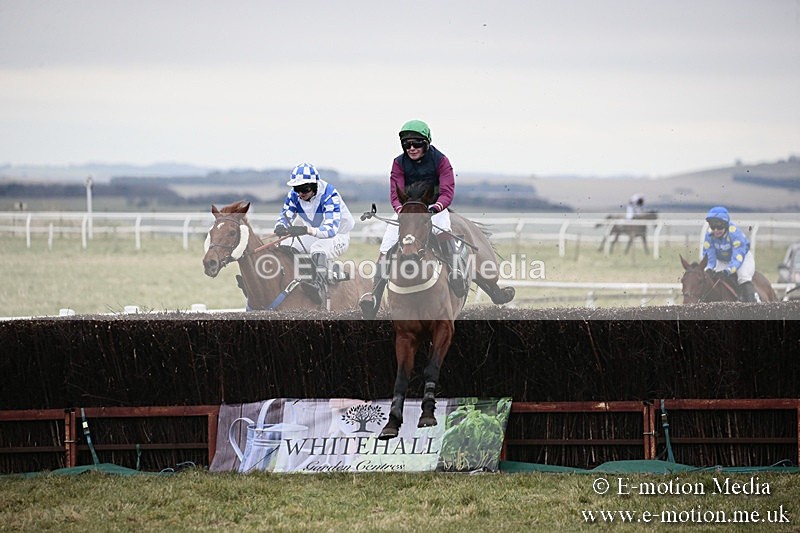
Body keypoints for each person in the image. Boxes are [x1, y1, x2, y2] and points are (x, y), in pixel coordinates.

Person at [359, 119, 467, 318]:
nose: (411, 148)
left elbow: (447, 191)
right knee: (387, 243)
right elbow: (395, 193)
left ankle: (456, 273)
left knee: (443, 229)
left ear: (426, 143)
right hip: (408, 210)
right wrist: (402, 211)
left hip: (433, 208)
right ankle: (375, 295)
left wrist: (435, 208)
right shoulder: (398, 163)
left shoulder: (441, 160)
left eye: (416, 143)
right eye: (407, 144)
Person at [274, 163, 354, 305]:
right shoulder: (294, 195)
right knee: (285, 244)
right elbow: (285, 216)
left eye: (305, 188)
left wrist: (306, 230)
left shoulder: (330, 195)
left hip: (338, 235)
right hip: (314, 234)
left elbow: (330, 230)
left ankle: (318, 286)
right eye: (297, 188)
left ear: (315, 185)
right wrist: (280, 226)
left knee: (318, 248)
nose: (300, 193)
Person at [702, 206, 757, 302]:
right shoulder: (709, 236)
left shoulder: (735, 234)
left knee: (743, 277)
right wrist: (709, 268)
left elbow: (737, 257)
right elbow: (710, 256)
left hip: (742, 258)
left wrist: (728, 270)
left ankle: (752, 305)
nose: (716, 230)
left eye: (719, 226)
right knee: (712, 279)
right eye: (712, 226)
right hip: (723, 260)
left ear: (725, 224)